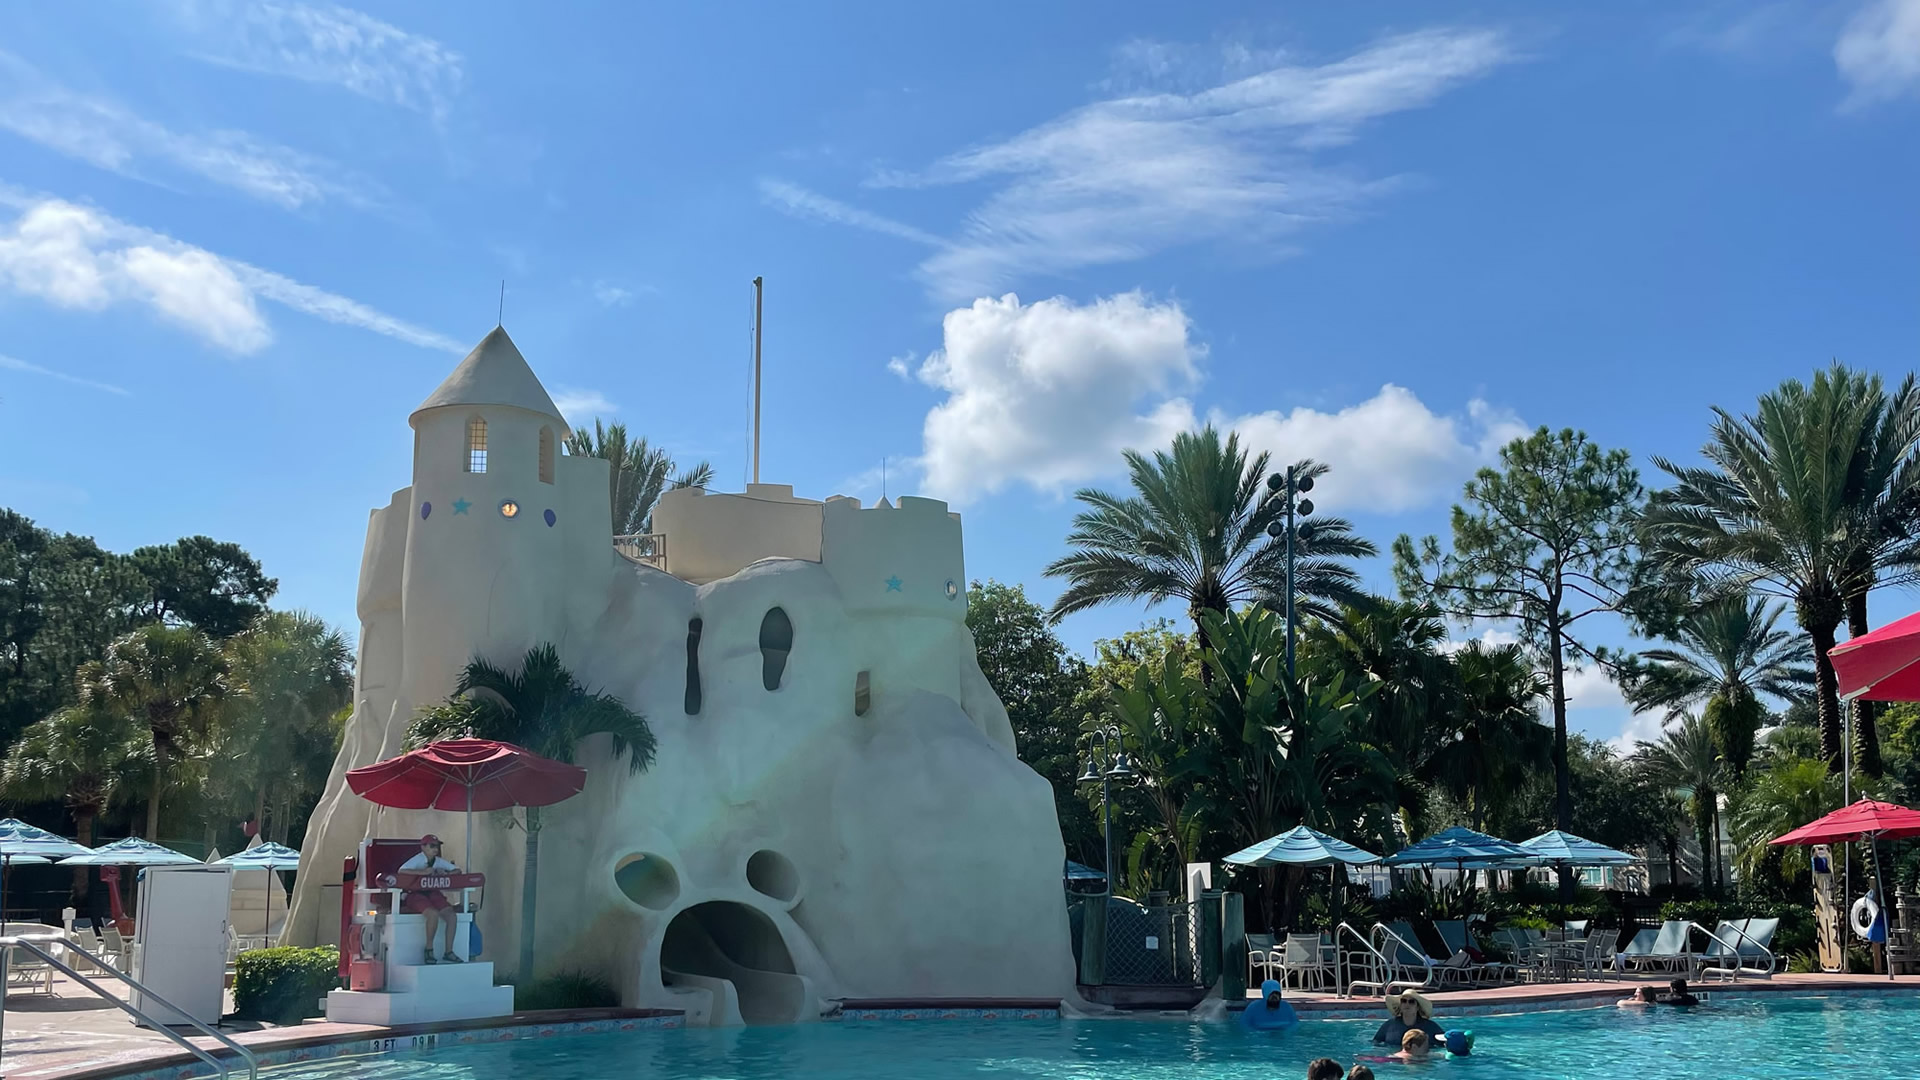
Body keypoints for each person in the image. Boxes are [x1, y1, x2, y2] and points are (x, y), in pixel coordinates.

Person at [399, 834, 463, 964]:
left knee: (451, 915)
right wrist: (422, 873)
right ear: (423, 847)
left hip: (433, 892)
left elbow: (457, 870)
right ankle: (429, 950)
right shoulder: (417, 859)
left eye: (437, 846)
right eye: (432, 846)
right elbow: (401, 871)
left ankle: (449, 951)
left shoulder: (438, 861)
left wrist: (446, 874)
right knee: (432, 914)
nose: (435, 849)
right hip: (415, 893)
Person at [1372, 989, 1444, 1045]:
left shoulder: (1431, 1027)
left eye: (1411, 1002)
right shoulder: (1389, 1025)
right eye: (1404, 1001)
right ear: (1400, 1005)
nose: (1407, 1004)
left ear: (1418, 1007)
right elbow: (1375, 1044)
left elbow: (1444, 1045)